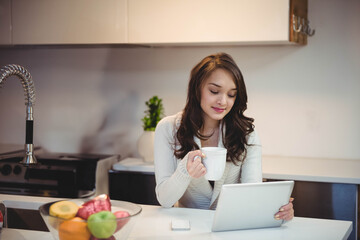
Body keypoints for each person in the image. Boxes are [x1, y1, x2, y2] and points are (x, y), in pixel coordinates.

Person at [154, 52, 294, 221]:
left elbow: (251, 194)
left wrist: (278, 210)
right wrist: (185, 170)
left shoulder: (246, 133)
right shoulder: (168, 129)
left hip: (230, 227)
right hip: (187, 228)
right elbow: (164, 199)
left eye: (231, 94)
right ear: (196, 88)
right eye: (214, 91)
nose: (223, 101)